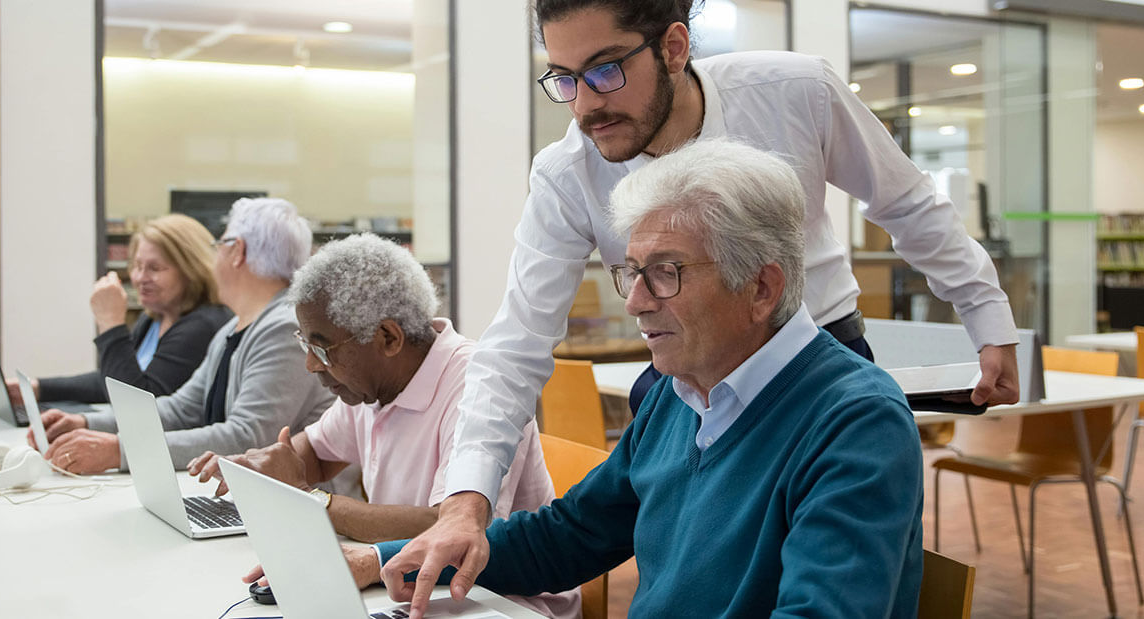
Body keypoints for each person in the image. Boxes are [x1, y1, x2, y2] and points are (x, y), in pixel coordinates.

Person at [393, 2, 1020, 613]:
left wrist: (989, 323)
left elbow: (908, 205)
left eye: (605, 69)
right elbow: (515, 349)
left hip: (811, 362)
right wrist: (457, 509)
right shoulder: (572, 178)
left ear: (672, 47)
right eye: (564, 78)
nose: (584, 103)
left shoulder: (794, 90)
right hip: (698, 365)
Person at [369, 139, 924, 617]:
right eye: (632, 273)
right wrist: (382, 559)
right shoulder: (680, 396)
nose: (635, 302)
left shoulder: (856, 420)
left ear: (761, 288)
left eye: (665, 273)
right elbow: (567, 537)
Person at [186, 234, 579, 619]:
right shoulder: (368, 387)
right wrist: (261, 468)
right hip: (412, 583)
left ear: (388, 338)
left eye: (321, 348)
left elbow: (446, 527)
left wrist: (310, 497)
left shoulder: (478, 389)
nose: (311, 365)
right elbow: (314, 457)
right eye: (304, 344)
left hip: (500, 598)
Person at [31, 198, 340, 482]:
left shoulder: (283, 329)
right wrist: (86, 424)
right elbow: (181, 410)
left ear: (237, 251)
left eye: (219, 243)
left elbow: (246, 438)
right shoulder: (234, 326)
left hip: (297, 510)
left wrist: (120, 450)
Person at [13, 214, 231, 404]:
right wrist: (39, 388)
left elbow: (137, 402)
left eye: (154, 268)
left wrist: (111, 323)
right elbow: (114, 380)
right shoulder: (153, 319)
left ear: (191, 270)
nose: (140, 278)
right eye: (137, 266)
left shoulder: (202, 326)